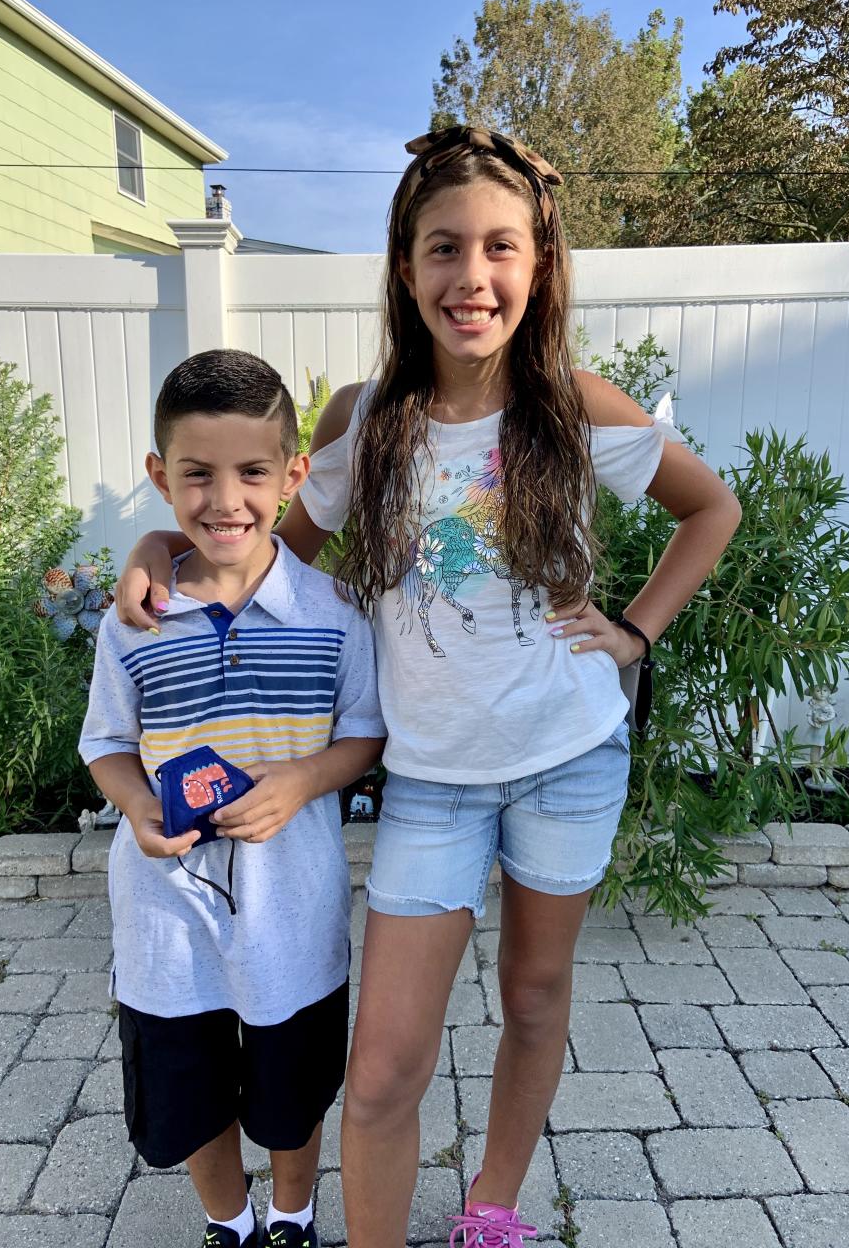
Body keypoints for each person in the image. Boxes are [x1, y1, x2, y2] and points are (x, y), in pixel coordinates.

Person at [116, 126, 742, 1248]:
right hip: (431, 783)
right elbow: (271, 553)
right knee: (384, 1070)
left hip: (569, 758)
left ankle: (493, 1206)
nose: (473, 275)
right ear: (405, 266)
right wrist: (166, 553)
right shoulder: (366, 419)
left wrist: (635, 629)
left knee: (536, 996)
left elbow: (715, 509)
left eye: (502, 247)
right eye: (444, 247)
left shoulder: (581, 407)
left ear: (538, 264)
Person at [80, 349, 385, 1248]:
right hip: (165, 919)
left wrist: (305, 779)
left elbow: (365, 735)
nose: (225, 500)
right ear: (158, 477)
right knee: (187, 1090)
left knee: (291, 1088)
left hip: (292, 907)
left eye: (253, 472)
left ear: (293, 475)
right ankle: (232, 1221)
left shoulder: (334, 612)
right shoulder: (134, 618)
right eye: (196, 475)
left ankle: (293, 1212)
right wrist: (137, 805)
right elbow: (105, 743)